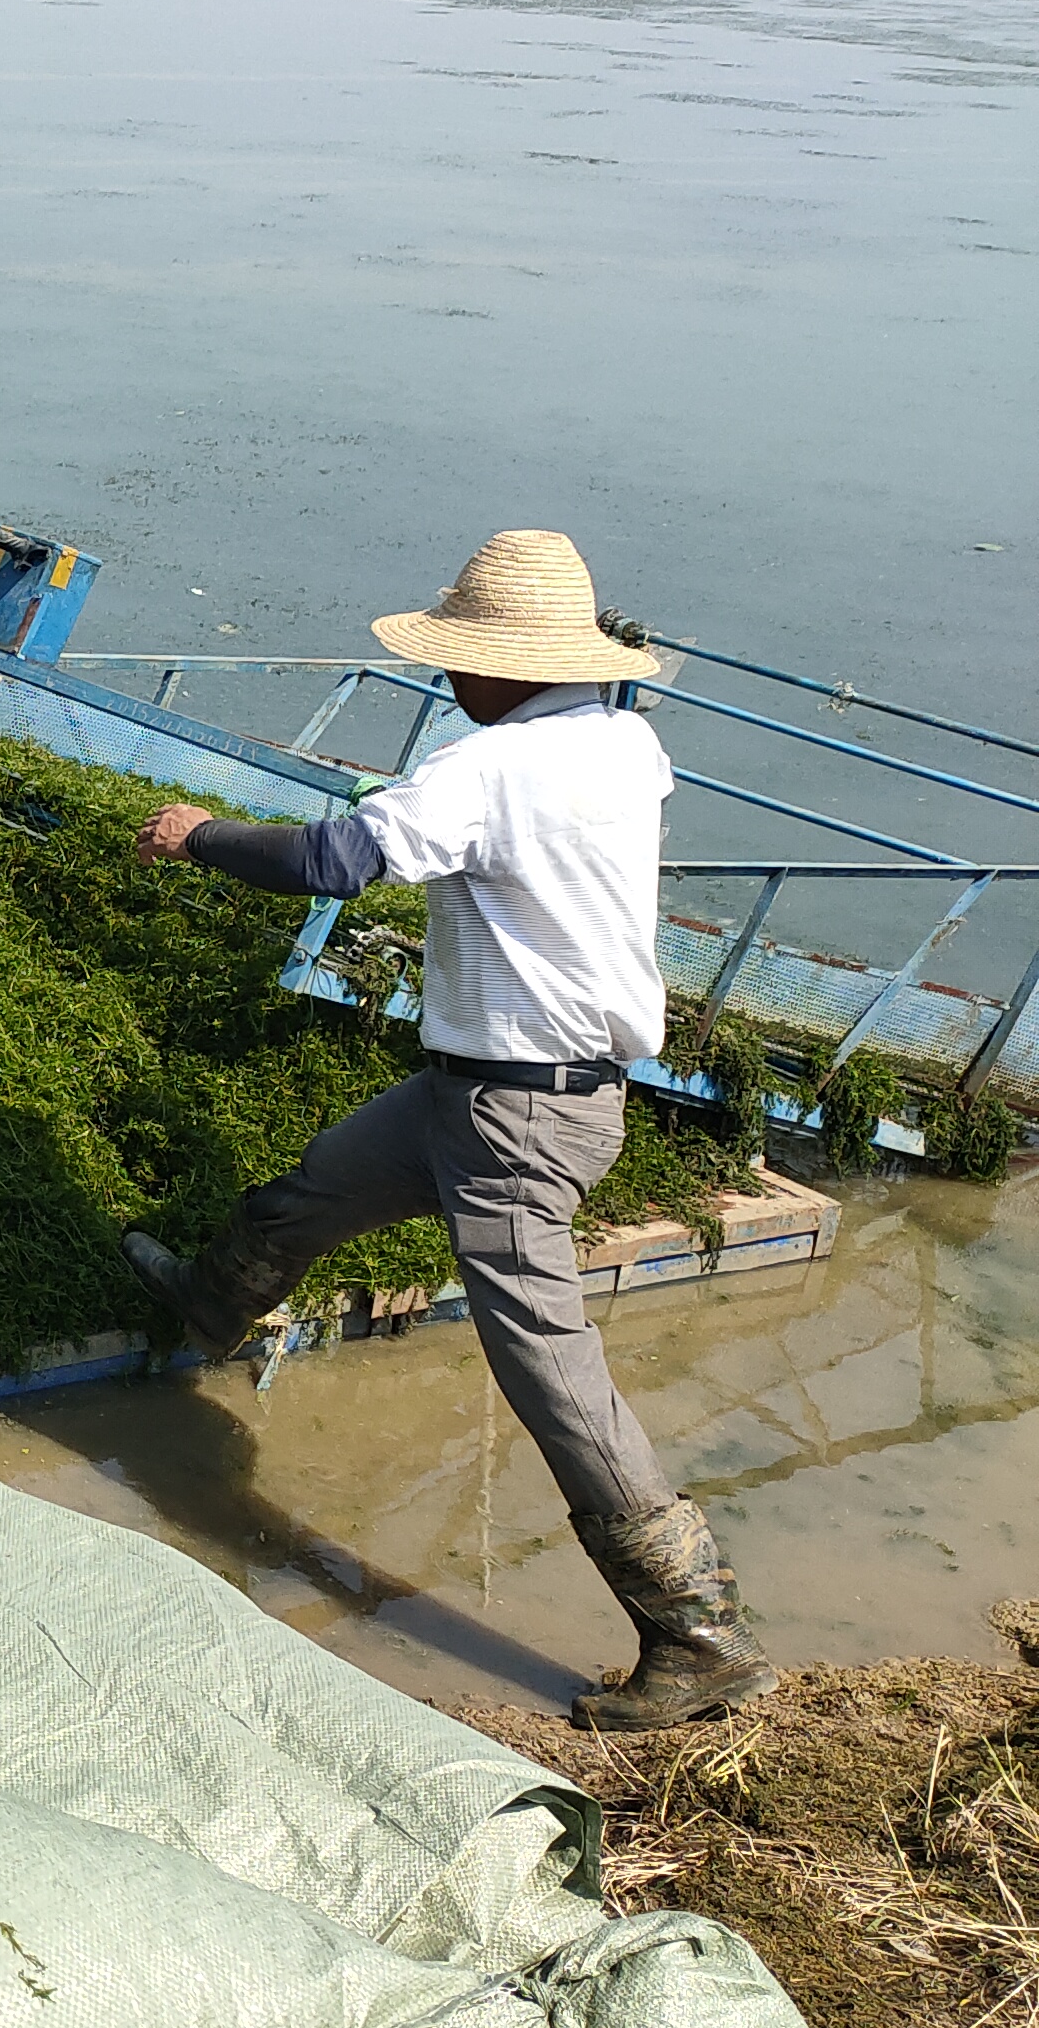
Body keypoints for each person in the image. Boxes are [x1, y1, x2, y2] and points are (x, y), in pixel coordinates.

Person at [118, 528, 775, 1731]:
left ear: (503, 666)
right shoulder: (626, 741)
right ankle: (206, 1312)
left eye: (458, 660)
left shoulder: (488, 772)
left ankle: (696, 1635)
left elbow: (330, 861)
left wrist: (194, 834)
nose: (445, 680)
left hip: (518, 1116)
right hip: (487, 1091)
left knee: (547, 1367)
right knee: (313, 1191)